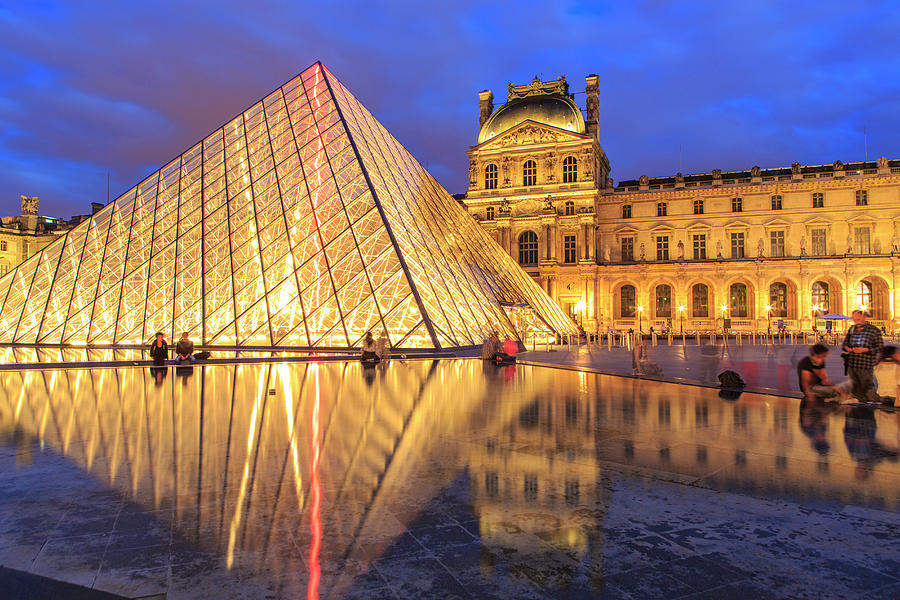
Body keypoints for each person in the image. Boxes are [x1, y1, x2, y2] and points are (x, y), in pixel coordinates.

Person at [841, 310, 884, 403]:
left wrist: (865, 350)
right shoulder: (852, 329)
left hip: (865, 364)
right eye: (854, 319)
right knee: (855, 387)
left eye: (858, 319)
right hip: (852, 364)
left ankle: (875, 403)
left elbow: (880, 347)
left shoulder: (874, 330)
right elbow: (844, 344)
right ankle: (858, 405)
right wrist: (847, 348)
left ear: (864, 317)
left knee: (867, 387)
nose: (856, 322)